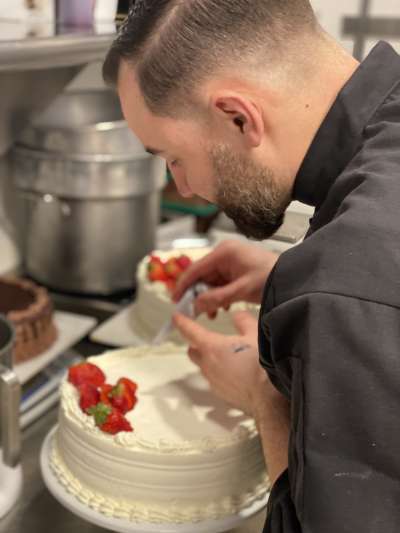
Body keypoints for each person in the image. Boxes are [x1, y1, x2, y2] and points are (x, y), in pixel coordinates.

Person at [102, 1, 400, 531]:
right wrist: (286, 275)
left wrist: (264, 398)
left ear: (239, 117)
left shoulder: (343, 283)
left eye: (171, 156)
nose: (185, 187)